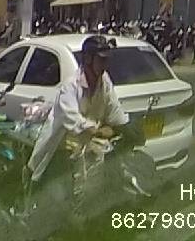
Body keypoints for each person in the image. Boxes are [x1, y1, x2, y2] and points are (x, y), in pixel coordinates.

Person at [25, 35, 143, 185]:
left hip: (87, 152)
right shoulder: (70, 86)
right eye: (101, 60)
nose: (105, 65)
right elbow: (74, 120)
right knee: (57, 195)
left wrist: (126, 127)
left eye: (107, 60)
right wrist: (99, 131)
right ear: (87, 59)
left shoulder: (104, 82)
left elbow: (114, 110)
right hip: (60, 152)